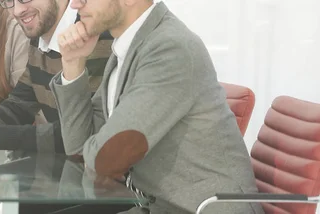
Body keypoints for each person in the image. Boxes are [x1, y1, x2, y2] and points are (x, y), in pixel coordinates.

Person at [50, 0, 264, 213]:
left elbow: (106, 159)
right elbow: (78, 147)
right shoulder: (129, 50)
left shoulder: (170, 48)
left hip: (204, 209)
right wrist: (73, 62)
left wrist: (98, 150)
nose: (75, 4)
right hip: (158, 206)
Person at [0, 0, 112, 153]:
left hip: (99, 184)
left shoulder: (93, 35)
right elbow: (20, 104)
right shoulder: (39, 33)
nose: (17, 10)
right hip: (62, 177)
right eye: (10, 0)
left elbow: (83, 132)